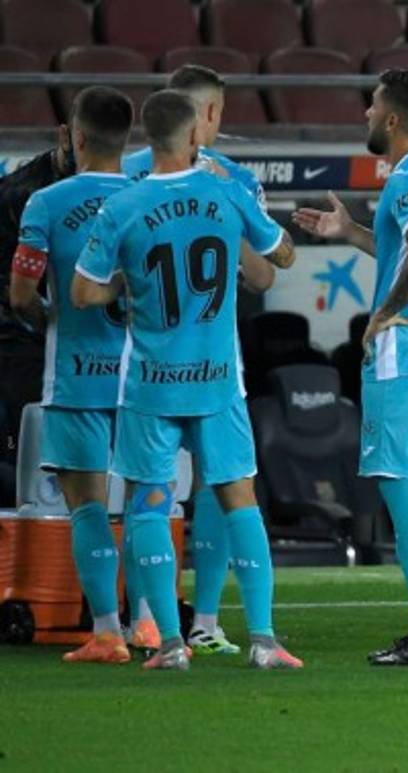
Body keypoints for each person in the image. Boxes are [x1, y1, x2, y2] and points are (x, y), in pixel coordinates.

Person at [72, 89, 300, 671]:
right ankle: (265, 641)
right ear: (196, 134)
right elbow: (285, 257)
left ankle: (170, 644)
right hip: (219, 379)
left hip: (151, 383)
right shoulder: (226, 190)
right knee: (238, 500)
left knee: (149, 504)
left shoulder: (121, 207)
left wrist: (126, 281)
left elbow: (82, 292)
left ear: (146, 141)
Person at [294, 70, 408, 667]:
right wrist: (350, 232)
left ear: (393, 119)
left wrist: (381, 317)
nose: (366, 114)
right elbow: (407, 250)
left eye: (372, 106)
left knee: (401, 484)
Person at [121, 64, 276, 656]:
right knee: (223, 486)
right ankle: (206, 620)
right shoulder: (233, 181)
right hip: (214, 368)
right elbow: (263, 275)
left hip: (143, 364)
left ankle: (150, 621)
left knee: (150, 493)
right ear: (207, 116)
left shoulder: (127, 176)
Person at [8, 87, 133, 663]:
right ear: (127, 140)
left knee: (87, 506)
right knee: (146, 503)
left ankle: (106, 630)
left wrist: (47, 319)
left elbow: (21, 294)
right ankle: (155, 625)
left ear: (75, 137)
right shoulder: (146, 198)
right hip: (143, 381)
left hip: (77, 376)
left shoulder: (46, 203)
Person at [0, 123, 74, 489]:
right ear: (65, 137)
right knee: (24, 448)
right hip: (17, 337)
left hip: (57, 340)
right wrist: (53, 324)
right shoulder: (26, 195)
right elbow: (20, 294)